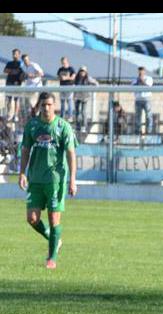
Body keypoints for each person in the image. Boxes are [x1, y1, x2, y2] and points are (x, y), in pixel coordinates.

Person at [18, 92, 77, 270]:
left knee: (53, 219)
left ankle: (51, 258)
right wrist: (22, 173)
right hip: (35, 179)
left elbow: (71, 154)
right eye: (43, 105)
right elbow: (26, 150)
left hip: (55, 181)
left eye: (49, 105)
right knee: (32, 218)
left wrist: (72, 179)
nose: (46, 108)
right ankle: (54, 239)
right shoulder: (33, 126)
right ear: (39, 106)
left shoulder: (63, 126)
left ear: (55, 106)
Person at [73, 66, 99, 133]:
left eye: (83, 71)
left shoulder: (88, 78)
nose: (82, 72)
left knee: (83, 112)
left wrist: (92, 88)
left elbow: (96, 83)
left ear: (85, 72)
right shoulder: (76, 78)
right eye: (81, 71)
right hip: (77, 97)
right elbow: (72, 84)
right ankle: (77, 126)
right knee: (77, 112)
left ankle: (84, 126)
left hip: (84, 97)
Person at [131, 66, 154, 135]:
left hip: (146, 99)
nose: (141, 72)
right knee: (138, 116)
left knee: (148, 116)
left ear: (144, 71)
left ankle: (149, 131)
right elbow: (133, 87)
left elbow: (148, 87)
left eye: (142, 70)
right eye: (139, 71)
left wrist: (142, 80)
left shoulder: (149, 78)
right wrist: (138, 81)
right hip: (138, 99)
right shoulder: (135, 79)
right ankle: (138, 131)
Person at [22, 54, 44, 119]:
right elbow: (25, 76)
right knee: (30, 103)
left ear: (29, 59)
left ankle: (37, 116)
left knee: (35, 103)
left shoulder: (34, 65)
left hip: (36, 87)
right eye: (24, 60)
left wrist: (33, 75)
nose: (26, 61)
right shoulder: (24, 67)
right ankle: (33, 116)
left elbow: (41, 73)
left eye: (27, 60)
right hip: (29, 87)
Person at [4, 48, 24, 122]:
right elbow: (5, 70)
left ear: (19, 54)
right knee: (8, 100)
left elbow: (22, 72)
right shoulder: (9, 63)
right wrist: (12, 70)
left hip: (17, 83)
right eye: (13, 54)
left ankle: (16, 115)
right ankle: (9, 114)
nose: (14, 55)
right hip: (9, 83)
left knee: (16, 100)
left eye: (16, 54)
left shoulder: (21, 63)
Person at [56, 56, 76, 121]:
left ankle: (70, 116)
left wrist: (66, 78)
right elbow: (58, 76)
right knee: (62, 102)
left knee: (69, 101)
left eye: (64, 62)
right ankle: (62, 116)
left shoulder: (71, 69)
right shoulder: (60, 69)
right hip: (62, 87)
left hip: (69, 87)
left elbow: (73, 77)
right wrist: (60, 78)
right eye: (62, 63)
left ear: (67, 62)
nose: (63, 64)